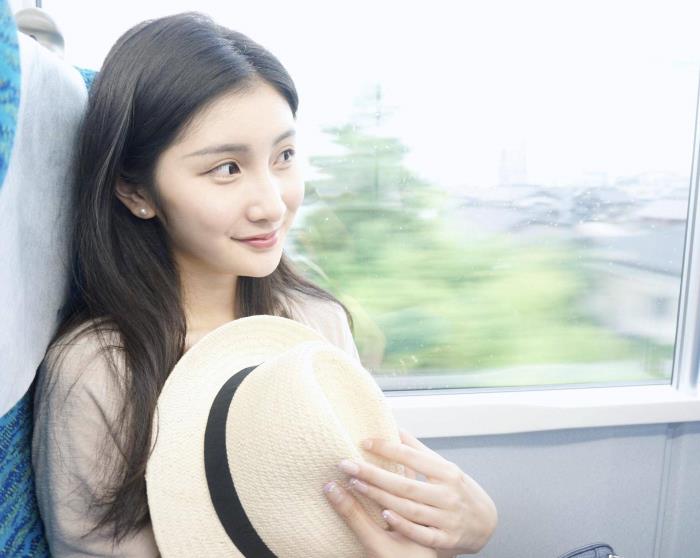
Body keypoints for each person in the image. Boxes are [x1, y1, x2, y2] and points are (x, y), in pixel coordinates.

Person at [31, 11, 497, 557]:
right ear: (136, 192)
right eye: (226, 169)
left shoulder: (314, 323)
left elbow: (368, 514)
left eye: (284, 157)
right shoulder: (101, 370)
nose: (272, 205)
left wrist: (471, 527)